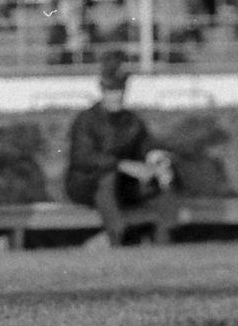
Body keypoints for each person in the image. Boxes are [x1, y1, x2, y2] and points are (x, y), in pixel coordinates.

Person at [65, 51, 178, 246]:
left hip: (121, 185)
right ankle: (117, 236)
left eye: (119, 91)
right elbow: (82, 157)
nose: (116, 96)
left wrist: (159, 162)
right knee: (107, 177)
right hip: (87, 184)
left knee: (162, 178)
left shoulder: (132, 121)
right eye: (111, 91)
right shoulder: (86, 120)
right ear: (102, 91)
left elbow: (146, 147)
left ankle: (165, 238)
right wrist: (121, 165)